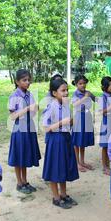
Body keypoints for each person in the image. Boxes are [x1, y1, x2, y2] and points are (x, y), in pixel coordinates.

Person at [42, 79, 79, 209]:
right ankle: (56, 197)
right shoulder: (51, 106)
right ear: (54, 93)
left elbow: (69, 121)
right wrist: (62, 122)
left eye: (67, 90)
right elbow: (46, 127)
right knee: (55, 168)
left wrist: (72, 120)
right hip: (55, 139)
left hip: (65, 138)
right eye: (62, 90)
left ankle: (64, 194)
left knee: (64, 166)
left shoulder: (66, 105)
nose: (66, 93)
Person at [8, 69, 41, 194]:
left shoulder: (29, 94)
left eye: (28, 80)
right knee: (19, 156)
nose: (27, 82)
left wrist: (34, 109)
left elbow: (32, 112)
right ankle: (19, 182)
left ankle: (25, 181)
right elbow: (13, 116)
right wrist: (27, 108)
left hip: (29, 128)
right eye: (24, 80)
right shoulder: (14, 96)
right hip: (19, 129)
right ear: (17, 82)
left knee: (25, 155)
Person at [71, 74, 95, 172]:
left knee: (83, 140)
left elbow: (96, 99)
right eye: (80, 83)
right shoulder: (75, 94)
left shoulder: (88, 92)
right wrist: (85, 97)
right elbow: (75, 104)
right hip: (79, 117)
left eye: (84, 83)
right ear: (76, 84)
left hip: (87, 117)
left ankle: (82, 161)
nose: (83, 85)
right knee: (77, 140)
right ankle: (77, 163)